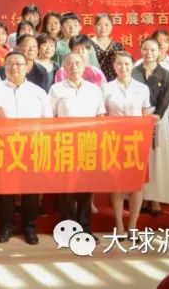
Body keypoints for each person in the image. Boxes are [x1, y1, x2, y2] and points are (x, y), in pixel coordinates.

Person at [0, 52, 50, 244]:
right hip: (4, 146)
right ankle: (6, 226)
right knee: (6, 190)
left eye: (19, 64)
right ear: (4, 67)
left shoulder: (38, 92)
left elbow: (46, 120)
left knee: (31, 189)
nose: (15, 67)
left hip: (31, 146)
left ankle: (29, 227)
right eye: (10, 64)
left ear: (27, 67)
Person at [48, 52, 106, 233]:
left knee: (86, 187)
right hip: (65, 144)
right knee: (66, 188)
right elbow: (50, 118)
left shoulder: (94, 89)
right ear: (64, 68)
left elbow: (100, 116)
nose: (74, 67)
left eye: (77, 63)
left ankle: (85, 228)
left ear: (84, 66)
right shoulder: (56, 89)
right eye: (70, 64)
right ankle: (68, 228)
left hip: (88, 144)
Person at [102, 50, 152, 233]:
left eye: (126, 64)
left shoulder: (142, 88)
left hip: (137, 141)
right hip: (114, 141)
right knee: (117, 184)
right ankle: (119, 224)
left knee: (136, 185)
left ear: (132, 66)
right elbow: (103, 115)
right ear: (114, 66)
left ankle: (133, 224)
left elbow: (145, 115)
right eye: (119, 64)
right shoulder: (106, 88)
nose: (123, 67)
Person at [135, 38, 169, 216]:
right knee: (141, 158)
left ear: (159, 51)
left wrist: (157, 114)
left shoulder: (165, 74)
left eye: (153, 50)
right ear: (140, 50)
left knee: (157, 158)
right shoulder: (134, 71)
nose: (149, 53)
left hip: (158, 119)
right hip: (138, 118)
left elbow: (167, 97)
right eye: (145, 49)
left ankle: (156, 199)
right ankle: (142, 196)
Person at [90, 14, 125, 81]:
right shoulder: (87, 44)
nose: (103, 27)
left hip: (114, 82)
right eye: (99, 24)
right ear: (94, 26)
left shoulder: (118, 46)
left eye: (106, 24)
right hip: (94, 81)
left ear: (111, 26)